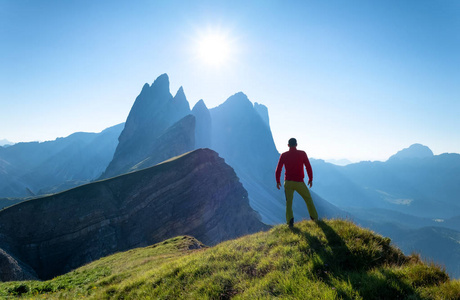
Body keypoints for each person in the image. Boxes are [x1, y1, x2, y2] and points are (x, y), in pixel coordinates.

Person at [275, 138, 318, 227]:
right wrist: (310, 179)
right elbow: (308, 167)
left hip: (288, 183)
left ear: (288, 145)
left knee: (289, 203)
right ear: (296, 144)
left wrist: (278, 181)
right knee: (308, 199)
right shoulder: (302, 154)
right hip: (299, 182)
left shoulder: (284, 155)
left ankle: (290, 223)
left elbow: (278, 169)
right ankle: (315, 219)